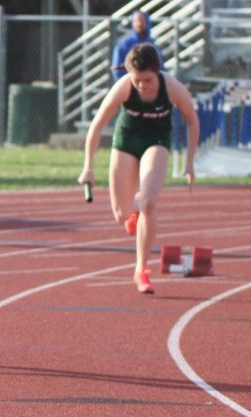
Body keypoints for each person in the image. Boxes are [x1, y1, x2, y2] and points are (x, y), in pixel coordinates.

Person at [78, 43, 199, 295]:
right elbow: (97, 125)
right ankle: (132, 210)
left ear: (157, 72)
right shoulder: (123, 86)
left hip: (157, 142)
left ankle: (141, 270)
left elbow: (192, 120)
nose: (142, 85)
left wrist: (189, 161)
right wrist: (88, 167)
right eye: (137, 80)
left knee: (149, 203)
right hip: (126, 143)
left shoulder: (172, 88)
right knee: (120, 214)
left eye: (147, 80)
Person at [110, 10, 165, 81]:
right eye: (136, 21)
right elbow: (117, 70)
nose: (139, 23)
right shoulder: (124, 45)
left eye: (142, 20)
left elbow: (162, 69)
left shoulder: (154, 46)